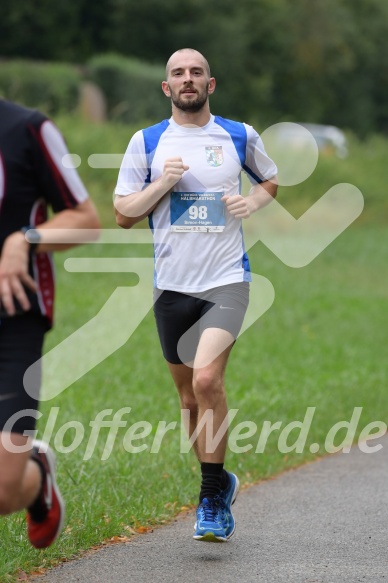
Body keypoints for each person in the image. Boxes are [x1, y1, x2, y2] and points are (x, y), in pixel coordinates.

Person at [114, 48, 278, 542]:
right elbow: (123, 214)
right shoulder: (146, 142)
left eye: (197, 73)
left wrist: (250, 200)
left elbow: (270, 180)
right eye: (178, 73)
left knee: (207, 381)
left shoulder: (238, 134)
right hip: (172, 287)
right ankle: (220, 478)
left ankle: (209, 499)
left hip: (227, 278)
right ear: (167, 87)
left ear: (211, 84)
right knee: (188, 399)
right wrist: (162, 184)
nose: (188, 79)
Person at [0, 98, 100, 549]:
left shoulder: (29, 130)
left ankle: (35, 475)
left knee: (2, 491)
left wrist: (25, 240)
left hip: (14, 318)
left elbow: (86, 219)